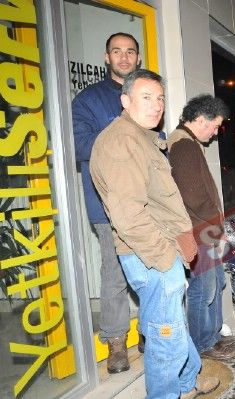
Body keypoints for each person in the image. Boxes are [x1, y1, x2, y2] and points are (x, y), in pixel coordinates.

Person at [89, 69, 219, 398]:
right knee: (165, 339)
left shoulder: (142, 137)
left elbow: (161, 202)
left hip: (159, 252)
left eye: (160, 98)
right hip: (151, 255)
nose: (156, 105)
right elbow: (128, 215)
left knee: (168, 324)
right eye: (146, 97)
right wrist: (165, 260)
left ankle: (189, 379)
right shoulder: (122, 141)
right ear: (125, 100)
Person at [71, 32, 141, 374]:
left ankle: (148, 330)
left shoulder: (144, 95)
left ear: (138, 58)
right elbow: (80, 146)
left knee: (151, 268)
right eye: (117, 51)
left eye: (130, 52)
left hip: (145, 204)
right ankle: (115, 342)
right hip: (107, 204)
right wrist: (122, 135)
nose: (124, 57)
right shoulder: (88, 100)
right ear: (106, 56)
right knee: (114, 275)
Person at [167, 95, 235, 361]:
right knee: (202, 289)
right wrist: (218, 230)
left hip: (203, 230)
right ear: (200, 120)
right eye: (215, 126)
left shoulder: (188, 143)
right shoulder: (184, 146)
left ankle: (213, 335)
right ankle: (201, 345)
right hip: (199, 232)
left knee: (216, 283)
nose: (216, 132)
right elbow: (194, 196)